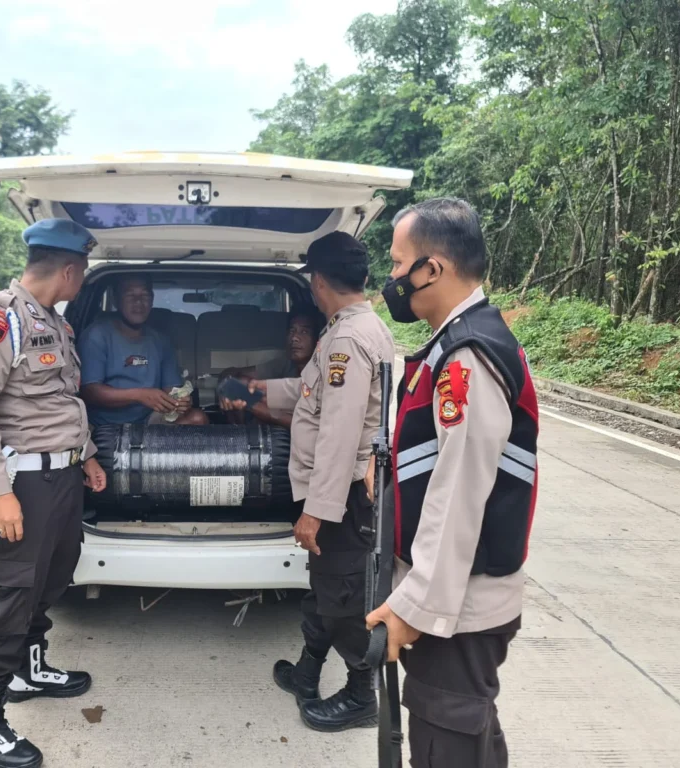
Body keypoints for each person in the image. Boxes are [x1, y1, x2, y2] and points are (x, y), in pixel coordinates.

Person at [365, 198, 539, 768]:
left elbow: (459, 490)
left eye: (398, 264)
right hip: (455, 600)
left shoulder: (467, 356)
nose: (392, 278)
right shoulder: (458, 341)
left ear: (432, 269)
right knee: (470, 738)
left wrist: (413, 607)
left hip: (458, 609)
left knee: (447, 741)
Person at [0, 218, 108, 768]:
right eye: (82, 270)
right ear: (69, 270)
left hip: (61, 477)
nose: (82, 280)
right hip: (20, 483)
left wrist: (87, 454)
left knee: (52, 575)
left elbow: (61, 401)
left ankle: (28, 669)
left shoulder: (53, 323)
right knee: (8, 595)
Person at [227, 231, 395, 731]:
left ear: (319, 281)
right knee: (324, 590)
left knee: (344, 598)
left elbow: (340, 435)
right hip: (343, 492)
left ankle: (361, 695)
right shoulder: (356, 328)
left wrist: (316, 513)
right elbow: (312, 391)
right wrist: (258, 388)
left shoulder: (346, 339)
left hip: (345, 496)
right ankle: (307, 671)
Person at [78, 275, 209, 426]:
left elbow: (171, 389)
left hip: (149, 421)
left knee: (197, 418)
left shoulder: (161, 341)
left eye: (145, 295)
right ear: (116, 300)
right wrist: (139, 395)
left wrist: (181, 400)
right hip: (104, 425)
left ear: (152, 300)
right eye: (130, 295)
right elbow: (89, 391)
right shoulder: (96, 335)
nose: (138, 302)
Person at [218, 305, 324, 428]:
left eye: (304, 332)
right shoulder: (286, 363)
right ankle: (239, 434)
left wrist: (250, 404)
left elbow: (308, 425)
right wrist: (227, 387)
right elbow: (233, 373)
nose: (294, 338)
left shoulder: (324, 370)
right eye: (291, 331)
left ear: (318, 340)